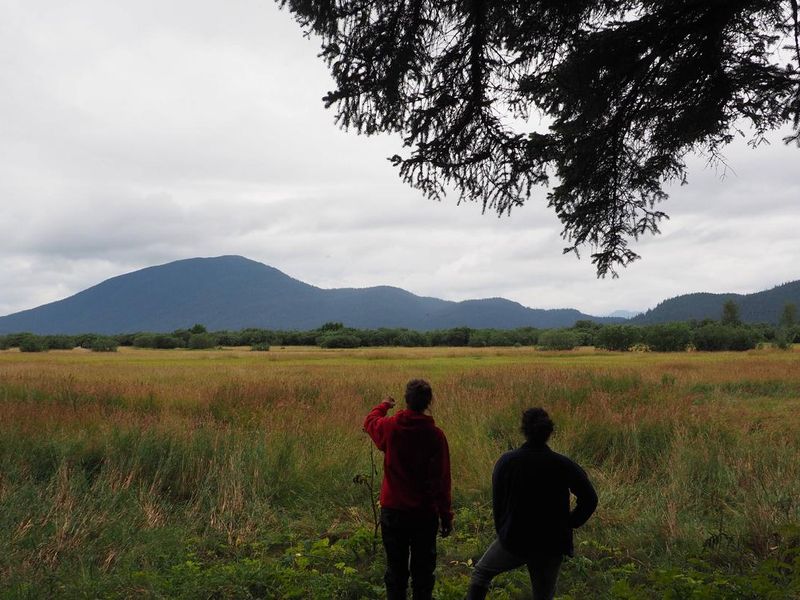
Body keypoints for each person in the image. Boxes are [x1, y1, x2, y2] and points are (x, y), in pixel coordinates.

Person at [466, 408, 598, 600]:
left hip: (515, 538)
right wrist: (569, 522)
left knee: (481, 573)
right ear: (549, 433)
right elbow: (590, 498)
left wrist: (504, 531)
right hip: (551, 542)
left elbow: (498, 504)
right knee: (543, 595)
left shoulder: (507, 462)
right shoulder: (562, 464)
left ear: (524, 430)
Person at [364, 378, 454, 600]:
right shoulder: (436, 435)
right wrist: (446, 515)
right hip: (425, 514)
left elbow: (370, 422)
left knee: (396, 571)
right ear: (428, 402)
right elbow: (442, 479)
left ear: (406, 400)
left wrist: (384, 404)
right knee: (423, 573)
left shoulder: (391, 427)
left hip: (393, 512)